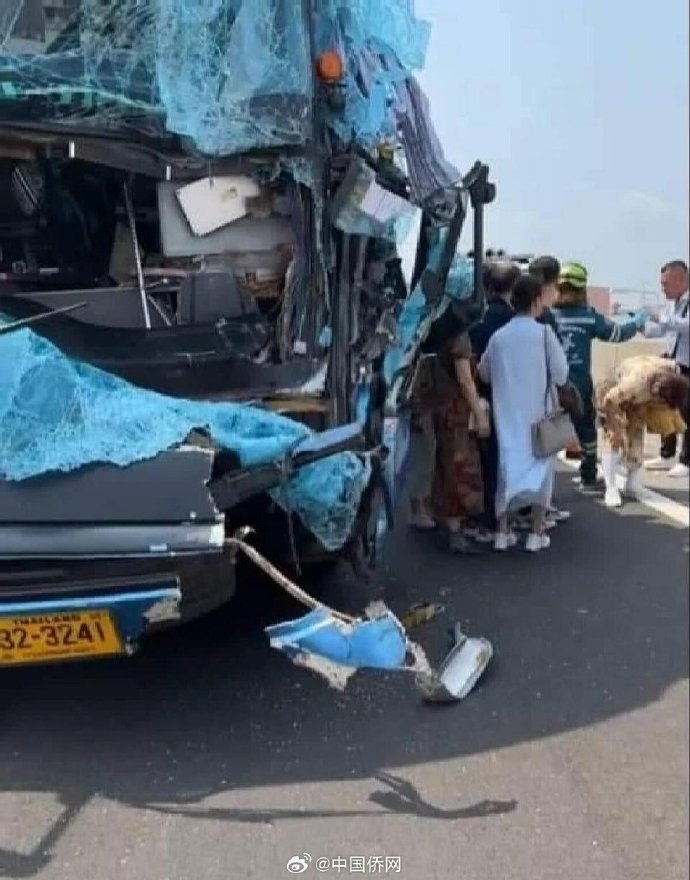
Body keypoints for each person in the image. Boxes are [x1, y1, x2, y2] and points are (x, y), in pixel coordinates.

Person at [478, 275, 569, 553]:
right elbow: (561, 374)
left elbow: (484, 373)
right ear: (537, 300)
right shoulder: (544, 334)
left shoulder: (498, 337)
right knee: (541, 472)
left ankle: (502, 533)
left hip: (506, 415)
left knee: (507, 470)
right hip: (539, 417)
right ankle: (536, 534)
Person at [551, 261, 647, 493]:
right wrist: (637, 322)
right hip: (579, 384)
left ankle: (543, 487)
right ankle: (588, 476)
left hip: (550, 385)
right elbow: (618, 333)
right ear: (582, 289)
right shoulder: (588, 317)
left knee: (546, 430)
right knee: (586, 429)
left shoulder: (548, 317)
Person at [425, 310, 491, 554]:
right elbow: (465, 379)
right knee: (460, 467)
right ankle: (455, 529)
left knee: (444, 467)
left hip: (440, 408)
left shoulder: (437, 328)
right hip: (457, 413)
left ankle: (447, 522)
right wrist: (480, 414)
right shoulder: (460, 338)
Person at [469, 260, 521, 541]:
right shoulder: (517, 321)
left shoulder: (478, 319)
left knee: (486, 458)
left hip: (482, 397)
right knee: (509, 460)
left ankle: (487, 515)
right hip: (515, 400)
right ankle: (506, 519)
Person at [642, 260, 689, 478]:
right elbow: (660, 329)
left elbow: (684, 325)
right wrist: (638, 324)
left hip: (688, 365)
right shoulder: (672, 304)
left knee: (687, 412)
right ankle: (667, 453)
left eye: (666, 283)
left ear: (681, 279)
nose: (663, 289)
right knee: (665, 407)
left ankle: (686, 460)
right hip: (672, 363)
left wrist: (660, 317)